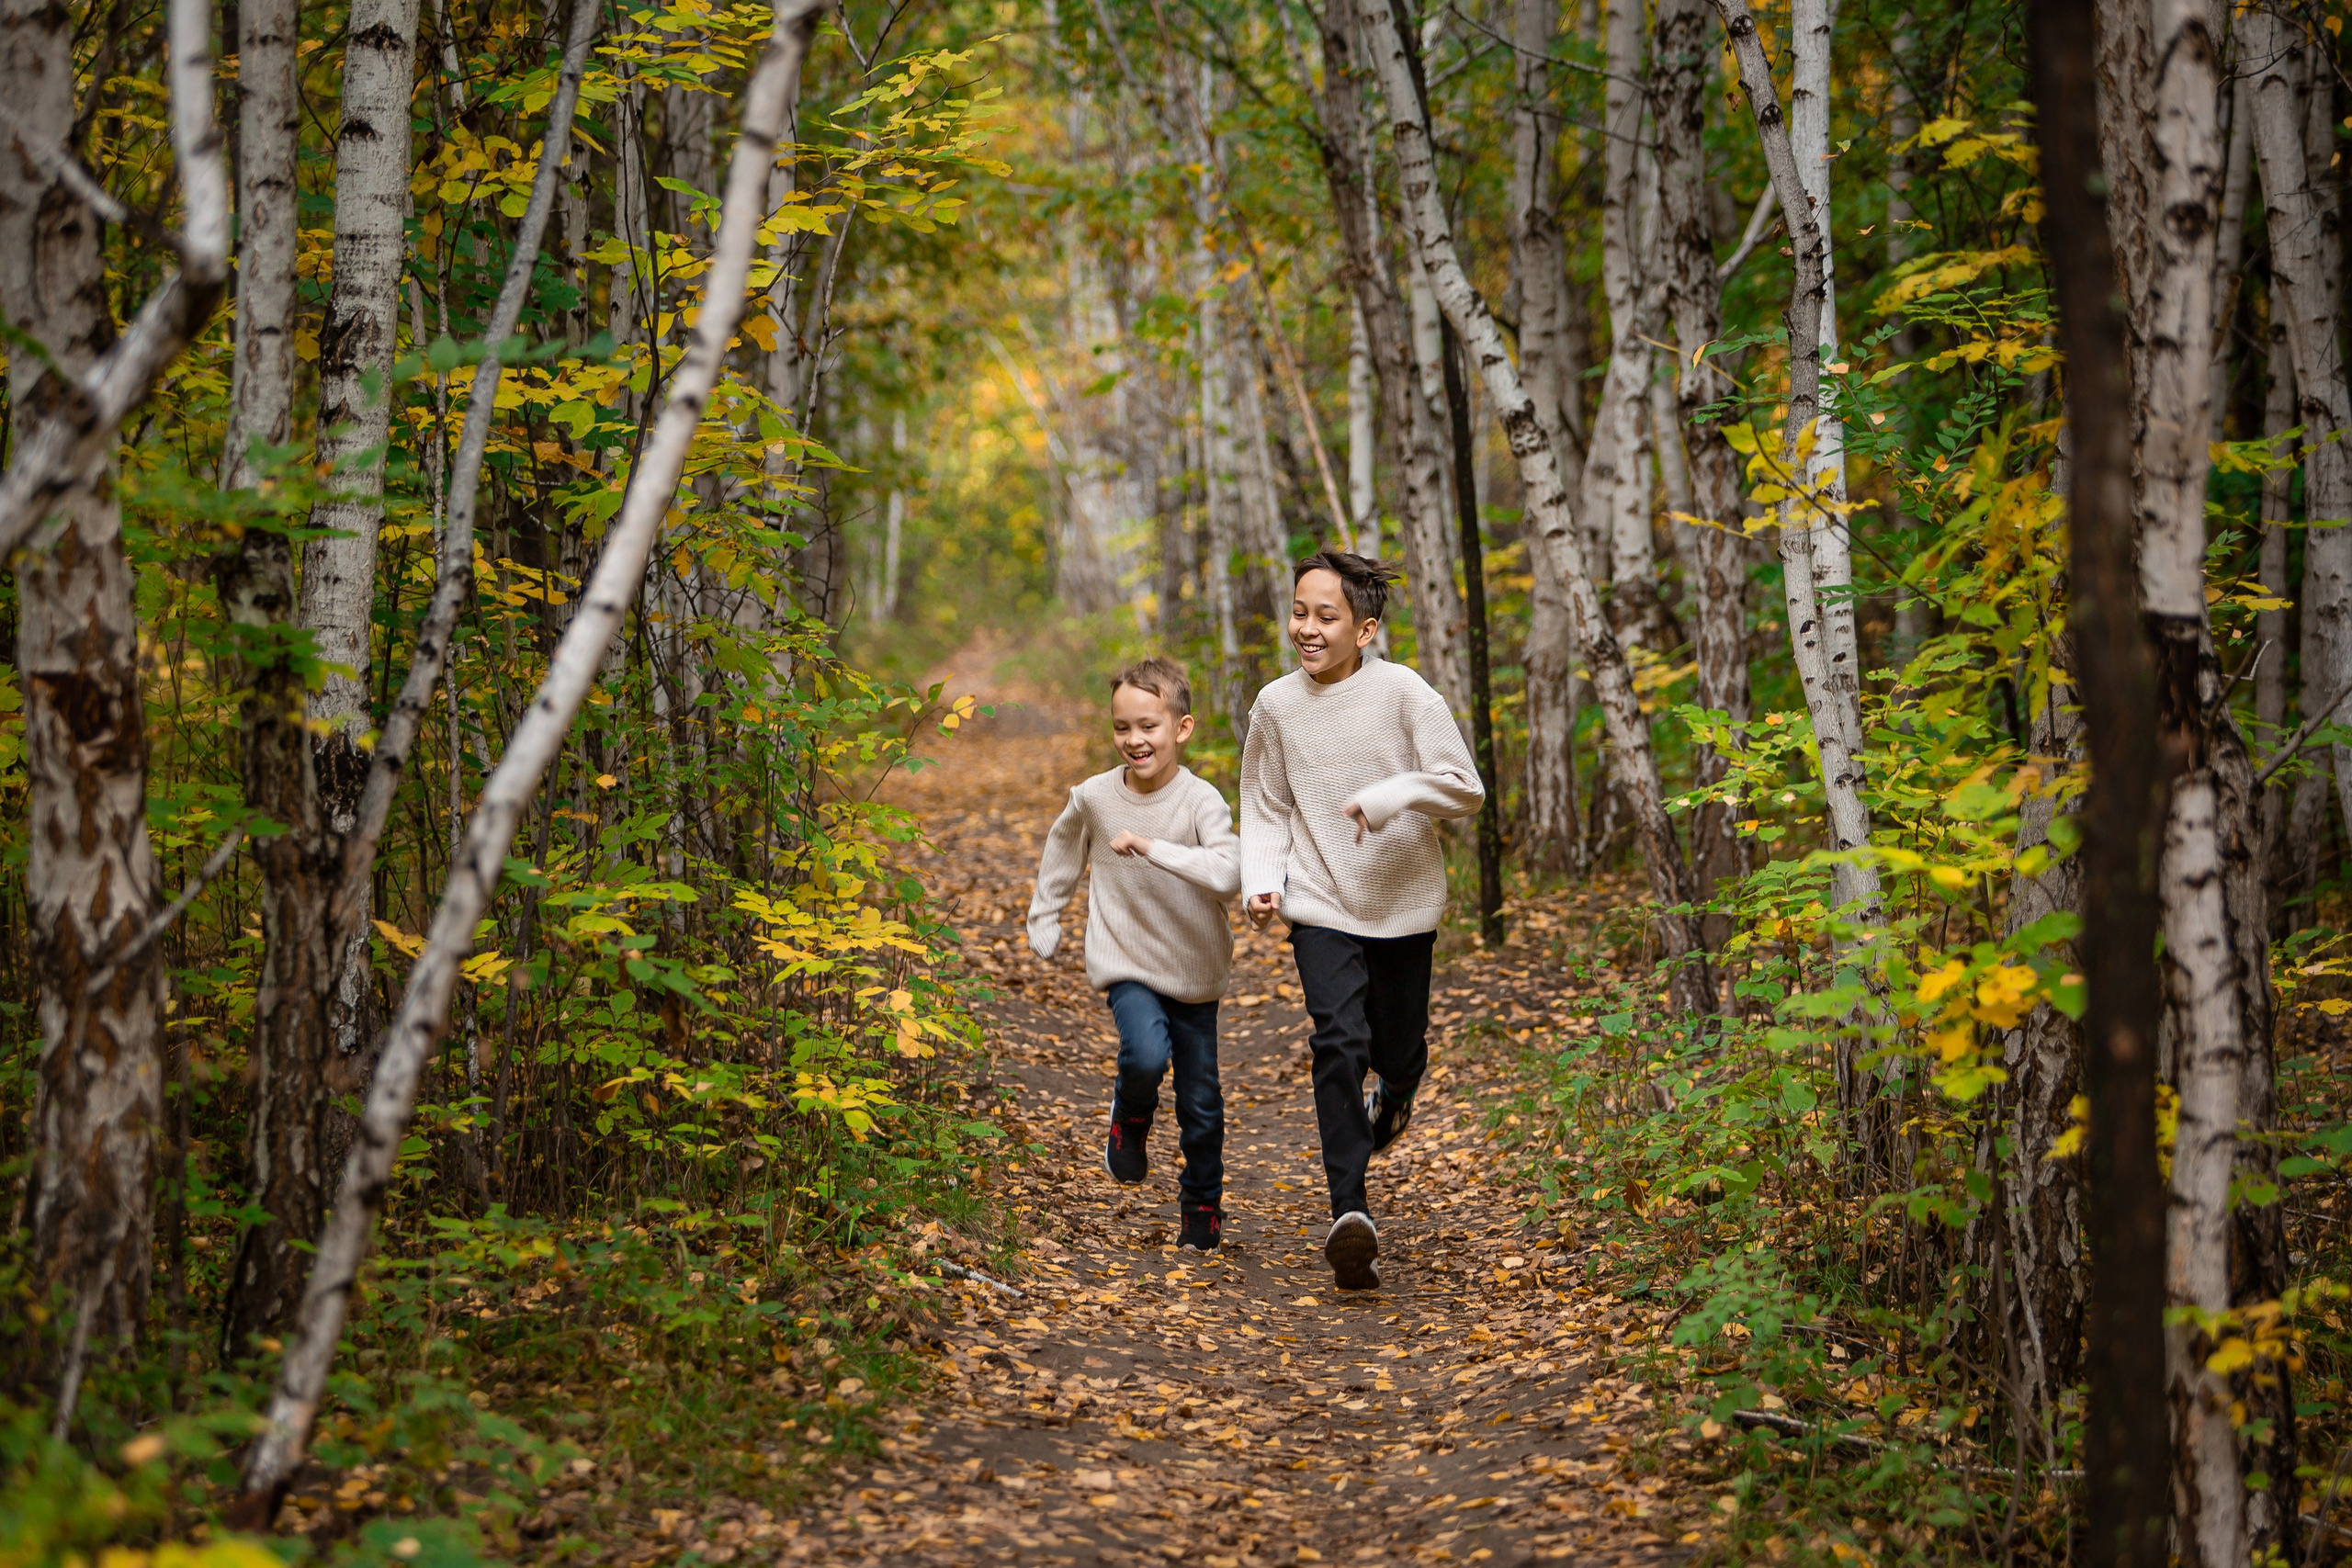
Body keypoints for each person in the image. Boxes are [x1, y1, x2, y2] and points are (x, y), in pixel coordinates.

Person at [1239, 551, 1484, 1290]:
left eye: (1326, 616)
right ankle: (1352, 1214)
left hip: (1404, 904)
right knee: (1338, 1040)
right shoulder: (1275, 705)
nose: (1306, 628)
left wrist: (1397, 792)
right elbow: (1265, 803)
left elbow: (1462, 789)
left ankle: (1398, 1095)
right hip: (1321, 902)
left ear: (1366, 628)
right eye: (1299, 612)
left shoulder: (1404, 693)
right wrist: (1261, 879)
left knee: (1399, 1051)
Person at [1028, 657, 1240, 1251]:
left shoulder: (1201, 801)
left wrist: (1153, 846)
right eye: (1122, 727)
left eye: (1148, 725)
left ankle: (1202, 1204)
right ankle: (1132, 1117)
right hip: (1125, 959)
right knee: (1145, 1053)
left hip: (1195, 969)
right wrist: (1046, 913)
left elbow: (1229, 874)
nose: (1134, 740)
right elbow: (1063, 848)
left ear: (1182, 727)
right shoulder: (1095, 796)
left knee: (1201, 1100)